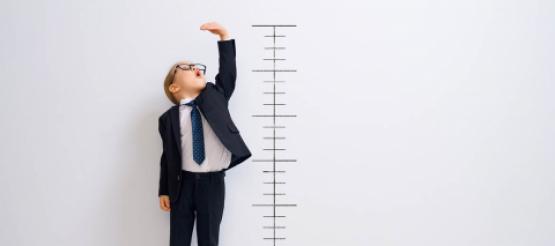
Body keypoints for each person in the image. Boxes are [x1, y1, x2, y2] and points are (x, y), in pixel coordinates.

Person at [157, 21, 252, 246]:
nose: (195, 68)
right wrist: (164, 190)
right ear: (174, 87)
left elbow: (227, 74)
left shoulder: (215, 96)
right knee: (178, 238)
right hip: (182, 184)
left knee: (209, 238)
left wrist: (224, 37)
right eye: (186, 68)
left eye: (196, 66)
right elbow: (167, 157)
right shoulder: (168, 119)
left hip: (212, 183)